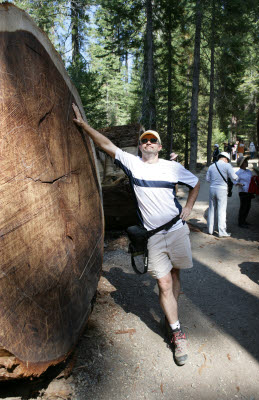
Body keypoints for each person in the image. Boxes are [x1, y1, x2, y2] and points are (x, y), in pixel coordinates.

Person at [72, 103, 200, 366]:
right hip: (153, 236)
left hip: (176, 230)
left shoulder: (172, 168)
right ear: (140, 146)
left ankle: (170, 317)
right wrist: (85, 127)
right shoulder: (132, 164)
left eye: (153, 140)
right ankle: (177, 333)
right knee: (163, 283)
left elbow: (196, 184)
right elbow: (107, 145)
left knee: (175, 275)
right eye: (144, 140)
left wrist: (188, 207)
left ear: (160, 147)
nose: (148, 143)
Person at [206, 152, 240, 237]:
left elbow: (207, 179)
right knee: (222, 210)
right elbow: (234, 177)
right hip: (222, 190)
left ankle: (210, 230)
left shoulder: (211, 166)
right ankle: (222, 232)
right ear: (225, 159)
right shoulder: (227, 165)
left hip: (212, 189)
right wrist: (238, 179)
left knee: (211, 209)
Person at [236, 156, 253, 228]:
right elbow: (234, 181)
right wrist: (241, 184)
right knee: (243, 207)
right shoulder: (238, 173)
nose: (247, 162)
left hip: (249, 191)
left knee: (248, 207)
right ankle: (241, 222)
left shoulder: (249, 171)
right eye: (245, 161)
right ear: (242, 163)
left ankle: (244, 220)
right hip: (243, 192)